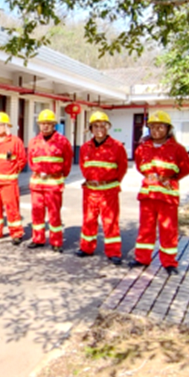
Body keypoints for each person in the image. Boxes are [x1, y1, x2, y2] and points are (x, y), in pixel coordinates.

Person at [130, 111, 189, 275]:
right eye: (153, 127)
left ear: (168, 129)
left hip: (167, 195)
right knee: (146, 229)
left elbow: (187, 168)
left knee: (168, 230)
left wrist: (172, 178)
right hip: (148, 195)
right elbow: (140, 167)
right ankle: (142, 258)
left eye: (160, 127)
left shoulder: (177, 149)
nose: (156, 130)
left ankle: (169, 262)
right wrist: (151, 177)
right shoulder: (142, 148)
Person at [76, 111, 128, 264]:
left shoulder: (117, 147)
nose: (99, 129)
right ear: (91, 128)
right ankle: (86, 248)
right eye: (96, 126)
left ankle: (113, 252)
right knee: (89, 220)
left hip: (109, 191)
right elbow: (83, 167)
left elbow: (122, 168)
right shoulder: (85, 147)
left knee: (110, 221)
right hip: (90, 190)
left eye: (103, 126)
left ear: (108, 127)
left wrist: (109, 182)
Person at [27, 109, 74, 252]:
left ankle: (56, 241)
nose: (45, 126)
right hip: (37, 184)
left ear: (54, 125)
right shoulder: (34, 142)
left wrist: (59, 176)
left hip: (53, 184)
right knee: (37, 212)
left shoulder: (62, 142)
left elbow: (67, 163)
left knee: (54, 214)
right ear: (39, 124)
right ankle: (38, 239)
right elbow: (31, 161)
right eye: (43, 123)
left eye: (48, 123)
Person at [0, 112, 27, 244]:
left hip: (9, 183)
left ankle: (16, 233)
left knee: (12, 208)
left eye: (1, 125)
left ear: (7, 126)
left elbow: (22, 160)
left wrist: (13, 172)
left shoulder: (15, 141)